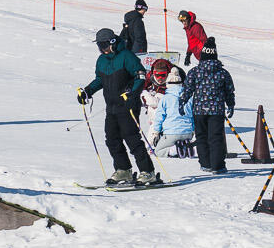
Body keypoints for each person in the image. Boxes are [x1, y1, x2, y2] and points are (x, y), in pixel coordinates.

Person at [79, 27, 160, 188]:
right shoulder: (101, 60)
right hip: (112, 107)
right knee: (112, 139)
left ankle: (148, 172)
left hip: (128, 105)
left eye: (103, 45)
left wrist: (132, 91)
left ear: (113, 43)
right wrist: (87, 91)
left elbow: (140, 76)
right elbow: (99, 80)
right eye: (99, 46)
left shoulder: (126, 56)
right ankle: (123, 169)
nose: (101, 49)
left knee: (132, 139)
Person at [181, 39, 236, 172]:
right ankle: (217, 165)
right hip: (216, 110)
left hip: (199, 110)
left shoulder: (195, 72)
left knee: (201, 137)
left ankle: (205, 164)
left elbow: (187, 89)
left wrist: (182, 102)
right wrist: (231, 104)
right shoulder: (223, 73)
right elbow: (229, 91)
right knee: (215, 137)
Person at [152, 63, 196, 158]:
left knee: (158, 151)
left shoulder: (165, 98)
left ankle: (174, 150)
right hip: (187, 133)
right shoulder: (189, 98)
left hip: (171, 133)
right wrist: (192, 130)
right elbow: (193, 116)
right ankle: (188, 147)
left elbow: (159, 117)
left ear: (168, 84)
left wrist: (156, 133)